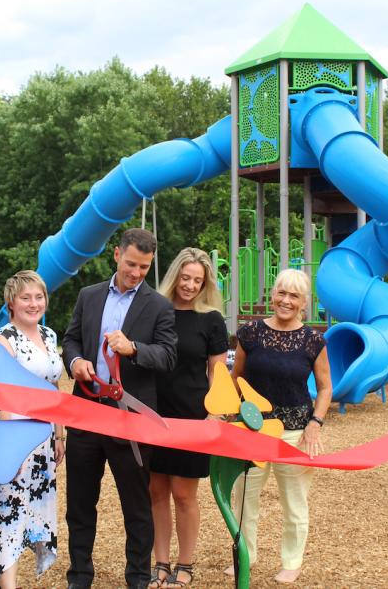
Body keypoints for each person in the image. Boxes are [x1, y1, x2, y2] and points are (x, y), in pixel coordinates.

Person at [62, 228, 178, 589]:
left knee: (137, 508)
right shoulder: (88, 295)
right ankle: (79, 578)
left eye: (144, 267)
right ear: (116, 254)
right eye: (131, 264)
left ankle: (138, 580)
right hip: (85, 413)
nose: (137, 272)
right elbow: (70, 339)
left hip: (131, 419)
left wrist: (134, 349)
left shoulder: (159, 305)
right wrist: (76, 361)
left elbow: (169, 355)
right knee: (80, 505)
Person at [226, 269, 332, 584]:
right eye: (281, 293)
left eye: (294, 296)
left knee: (294, 501)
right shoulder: (249, 332)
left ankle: (292, 562)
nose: (286, 300)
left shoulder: (314, 340)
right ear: (272, 295)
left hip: (295, 433)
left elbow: (325, 388)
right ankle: (246, 554)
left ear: (304, 303)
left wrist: (315, 423)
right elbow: (237, 379)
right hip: (252, 430)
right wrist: (232, 413)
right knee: (243, 498)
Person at [149, 248, 229, 588]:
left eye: (198, 280)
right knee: (155, 491)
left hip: (194, 416)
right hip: (153, 414)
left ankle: (185, 564)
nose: (190, 285)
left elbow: (218, 372)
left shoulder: (211, 319)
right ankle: (161, 563)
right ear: (174, 276)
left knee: (183, 494)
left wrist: (216, 412)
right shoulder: (155, 310)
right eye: (185, 278)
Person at [0, 270, 65, 589]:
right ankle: (8, 585)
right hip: (11, 437)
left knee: (30, 509)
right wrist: (9, 447)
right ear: (11, 303)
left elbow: (54, 386)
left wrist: (58, 434)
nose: (33, 303)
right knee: (9, 511)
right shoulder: (3, 340)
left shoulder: (50, 336)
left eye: (38, 297)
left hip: (43, 440)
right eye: (25, 298)